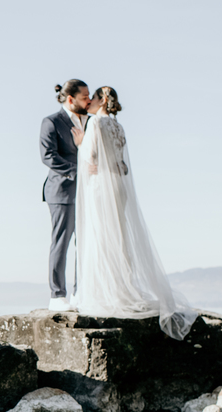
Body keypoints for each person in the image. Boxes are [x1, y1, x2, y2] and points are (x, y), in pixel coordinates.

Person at [73, 86, 198, 339]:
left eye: (93, 98)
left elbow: (92, 158)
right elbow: (123, 165)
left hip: (102, 187)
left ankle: (109, 291)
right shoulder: (119, 127)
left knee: (103, 235)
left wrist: (80, 143)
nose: (90, 103)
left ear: (102, 100)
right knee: (119, 235)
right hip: (119, 186)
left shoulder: (96, 124)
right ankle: (124, 286)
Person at [41, 79, 91, 312]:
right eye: (84, 97)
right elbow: (48, 157)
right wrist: (78, 171)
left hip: (89, 193)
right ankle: (57, 295)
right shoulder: (51, 122)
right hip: (62, 191)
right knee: (61, 242)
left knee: (85, 243)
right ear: (70, 99)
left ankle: (80, 292)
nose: (88, 100)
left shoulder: (91, 122)